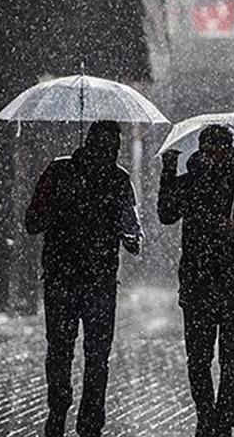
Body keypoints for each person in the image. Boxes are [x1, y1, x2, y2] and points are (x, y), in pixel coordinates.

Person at [158, 125, 234, 437]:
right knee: (198, 360)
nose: (212, 157)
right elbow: (166, 213)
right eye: (207, 150)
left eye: (218, 150)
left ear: (230, 151)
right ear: (201, 150)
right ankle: (206, 416)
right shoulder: (189, 183)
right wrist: (168, 170)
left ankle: (223, 421)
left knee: (231, 361)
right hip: (198, 283)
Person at [26, 121, 142, 437]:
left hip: (98, 281)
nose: (109, 154)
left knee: (94, 355)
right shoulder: (59, 172)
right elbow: (32, 221)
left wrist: (128, 237)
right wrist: (65, 206)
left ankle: (88, 419)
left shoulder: (119, 180)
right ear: (89, 143)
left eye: (114, 149)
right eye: (105, 147)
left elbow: (133, 231)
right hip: (66, 278)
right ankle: (60, 408)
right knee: (65, 350)